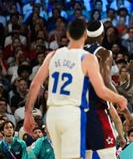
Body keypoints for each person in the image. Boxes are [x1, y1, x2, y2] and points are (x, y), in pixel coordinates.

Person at [23, 18, 127, 159]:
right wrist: (119, 98)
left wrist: (28, 113)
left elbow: (35, 85)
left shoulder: (52, 55)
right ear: (85, 36)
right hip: (74, 114)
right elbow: (101, 90)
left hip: (53, 116)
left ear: (67, 34)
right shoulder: (88, 58)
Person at [84, 20, 131, 158]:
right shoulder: (103, 53)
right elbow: (106, 82)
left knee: (85, 155)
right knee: (109, 154)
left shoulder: (75, 53)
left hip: (77, 113)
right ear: (103, 35)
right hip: (95, 111)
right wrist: (123, 106)